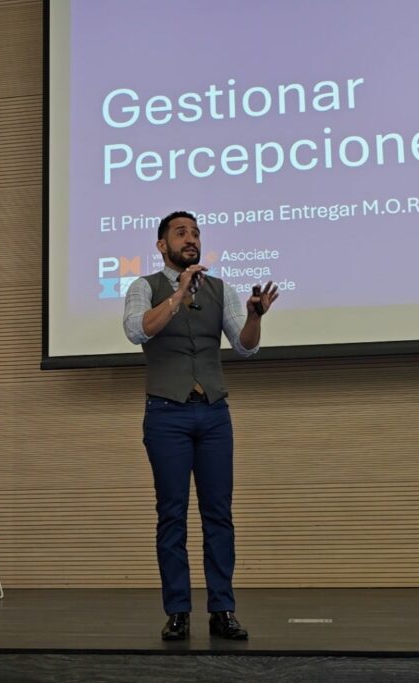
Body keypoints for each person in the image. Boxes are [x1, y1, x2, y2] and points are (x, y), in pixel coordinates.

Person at [122, 210, 279, 641]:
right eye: (181, 233)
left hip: (212, 413)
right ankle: (177, 611)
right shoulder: (144, 287)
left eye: (195, 233)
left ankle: (222, 609)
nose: (190, 239)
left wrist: (255, 316)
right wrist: (177, 295)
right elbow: (137, 331)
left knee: (218, 515)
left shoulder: (220, 290)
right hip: (166, 414)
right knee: (171, 515)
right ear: (162, 246)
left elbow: (245, 348)